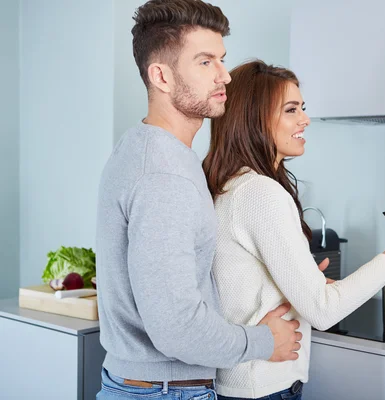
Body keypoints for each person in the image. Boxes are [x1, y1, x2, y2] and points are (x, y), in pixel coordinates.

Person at [202, 60, 385, 400]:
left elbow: (244, 285)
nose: (305, 119)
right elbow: (323, 311)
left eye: (303, 108)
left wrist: (306, 280)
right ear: (254, 118)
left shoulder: (233, 186)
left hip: (248, 381)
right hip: (261, 386)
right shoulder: (259, 193)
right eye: (291, 110)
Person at [95, 2, 301, 398]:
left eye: (221, 60)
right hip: (168, 390)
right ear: (162, 76)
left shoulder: (152, 150)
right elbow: (177, 328)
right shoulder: (164, 176)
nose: (224, 75)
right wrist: (263, 341)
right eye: (205, 62)